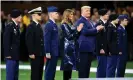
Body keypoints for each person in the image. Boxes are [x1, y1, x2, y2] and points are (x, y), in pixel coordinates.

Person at [74, 6, 104, 78]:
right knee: (83, 70)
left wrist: (97, 28)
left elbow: (91, 31)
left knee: (87, 70)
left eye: (89, 11)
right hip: (84, 48)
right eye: (86, 11)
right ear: (82, 12)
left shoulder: (89, 21)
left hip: (89, 48)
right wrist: (96, 29)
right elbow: (84, 32)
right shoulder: (80, 21)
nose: (88, 12)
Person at [60, 9, 83, 80]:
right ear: (67, 15)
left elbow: (75, 36)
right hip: (67, 50)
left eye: (73, 14)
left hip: (71, 49)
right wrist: (77, 30)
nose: (72, 16)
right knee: (67, 70)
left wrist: (78, 32)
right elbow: (69, 36)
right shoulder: (64, 25)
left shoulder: (71, 24)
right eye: (71, 14)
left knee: (69, 70)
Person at [25, 7, 44, 80]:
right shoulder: (31, 26)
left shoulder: (38, 26)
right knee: (35, 74)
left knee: (39, 74)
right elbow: (29, 41)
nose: (40, 15)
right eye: (39, 14)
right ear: (33, 15)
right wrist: (31, 52)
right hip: (35, 54)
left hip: (40, 54)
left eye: (40, 14)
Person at [3, 9, 22, 80]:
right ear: (15, 17)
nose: (21, 17)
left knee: (15, 75)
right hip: (11, 55)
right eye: (20, 16)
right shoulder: (10, 26)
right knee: (10, 76)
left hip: (15, 55)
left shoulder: (16, 26)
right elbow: (6, 41)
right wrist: (7, 54)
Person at [44, 6, 59, 80]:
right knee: (49, 72)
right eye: (56, 13)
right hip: (51, 52)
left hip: (54, 51)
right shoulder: (49, 25)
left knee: (52, 71)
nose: (58, 14)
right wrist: (47, 52)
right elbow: (47, 40)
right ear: (51, 14)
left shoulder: (54, 24)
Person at [96, 9, 110, 78]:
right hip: (101, 49)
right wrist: (101, 48)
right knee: (101, 67)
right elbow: (98, 38)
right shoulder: (98, 24)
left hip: (106, 49)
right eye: (106, 14)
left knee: (105, 67)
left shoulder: (106, 24)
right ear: (102, 15)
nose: (108, 15)